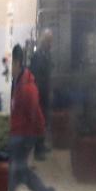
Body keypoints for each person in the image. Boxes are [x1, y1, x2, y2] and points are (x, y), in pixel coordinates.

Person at [9, 44, 59, 191]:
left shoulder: (27, 88)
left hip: (24, 136)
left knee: (15, 172)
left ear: (17, 63)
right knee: (22, 172)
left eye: (8, 63)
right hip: (17, 132)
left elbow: (36, 116)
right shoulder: (16, 81)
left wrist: (36, 138)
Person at [28, 29, 53, 161]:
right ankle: (38, 151)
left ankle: (41, 145)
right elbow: (36, 76)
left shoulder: (46, 54)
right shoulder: (38, 55)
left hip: (45, 91)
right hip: (39, 92)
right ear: (44, 41)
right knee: (39, 121)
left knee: (44, 120)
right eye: (49, 40)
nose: (51, 43)